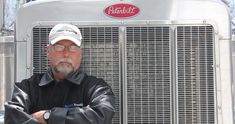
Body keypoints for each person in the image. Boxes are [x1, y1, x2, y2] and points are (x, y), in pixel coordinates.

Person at [4, 24, 115, 124]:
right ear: (48, 52)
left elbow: (102, 115)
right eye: (59, 47)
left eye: (72, 47)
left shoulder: (97, 88)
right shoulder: (27, 89)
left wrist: (48, 116)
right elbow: (12, 117)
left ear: (80, 54)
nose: (66, 54)